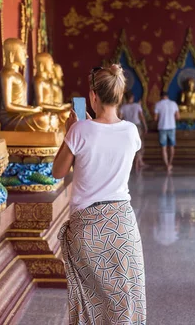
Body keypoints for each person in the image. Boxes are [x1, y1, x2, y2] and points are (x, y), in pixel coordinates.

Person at [53, 64, 146, 325]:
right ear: (119, 96)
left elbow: (58, 172)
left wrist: (69, 131)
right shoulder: (131, 132)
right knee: (125, 303)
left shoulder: (80, 130)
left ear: (93, 96)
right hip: (123, 228)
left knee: (91, 305)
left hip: (88, 230)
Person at [120, 91, 148, 171]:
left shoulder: (123, 107)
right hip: (137, 126)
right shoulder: (137, 106)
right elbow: (141, 117)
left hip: (127, 127)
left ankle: (137, 162)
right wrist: (145, 126)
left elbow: (120, 118)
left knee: (131, 144)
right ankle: (139, 162)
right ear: (132, 97)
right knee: (139, 144)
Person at [154, 91, 180, 172]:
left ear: (161, 96)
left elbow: (155, 118)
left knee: (163, 147)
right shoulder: (173, 104)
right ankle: (170, 163)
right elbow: (178, 117)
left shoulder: (158, 104)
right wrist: (172, 120)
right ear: (167, 96)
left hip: (162, 127)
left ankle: (166, 165)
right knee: (172, 146)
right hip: (172, 127)